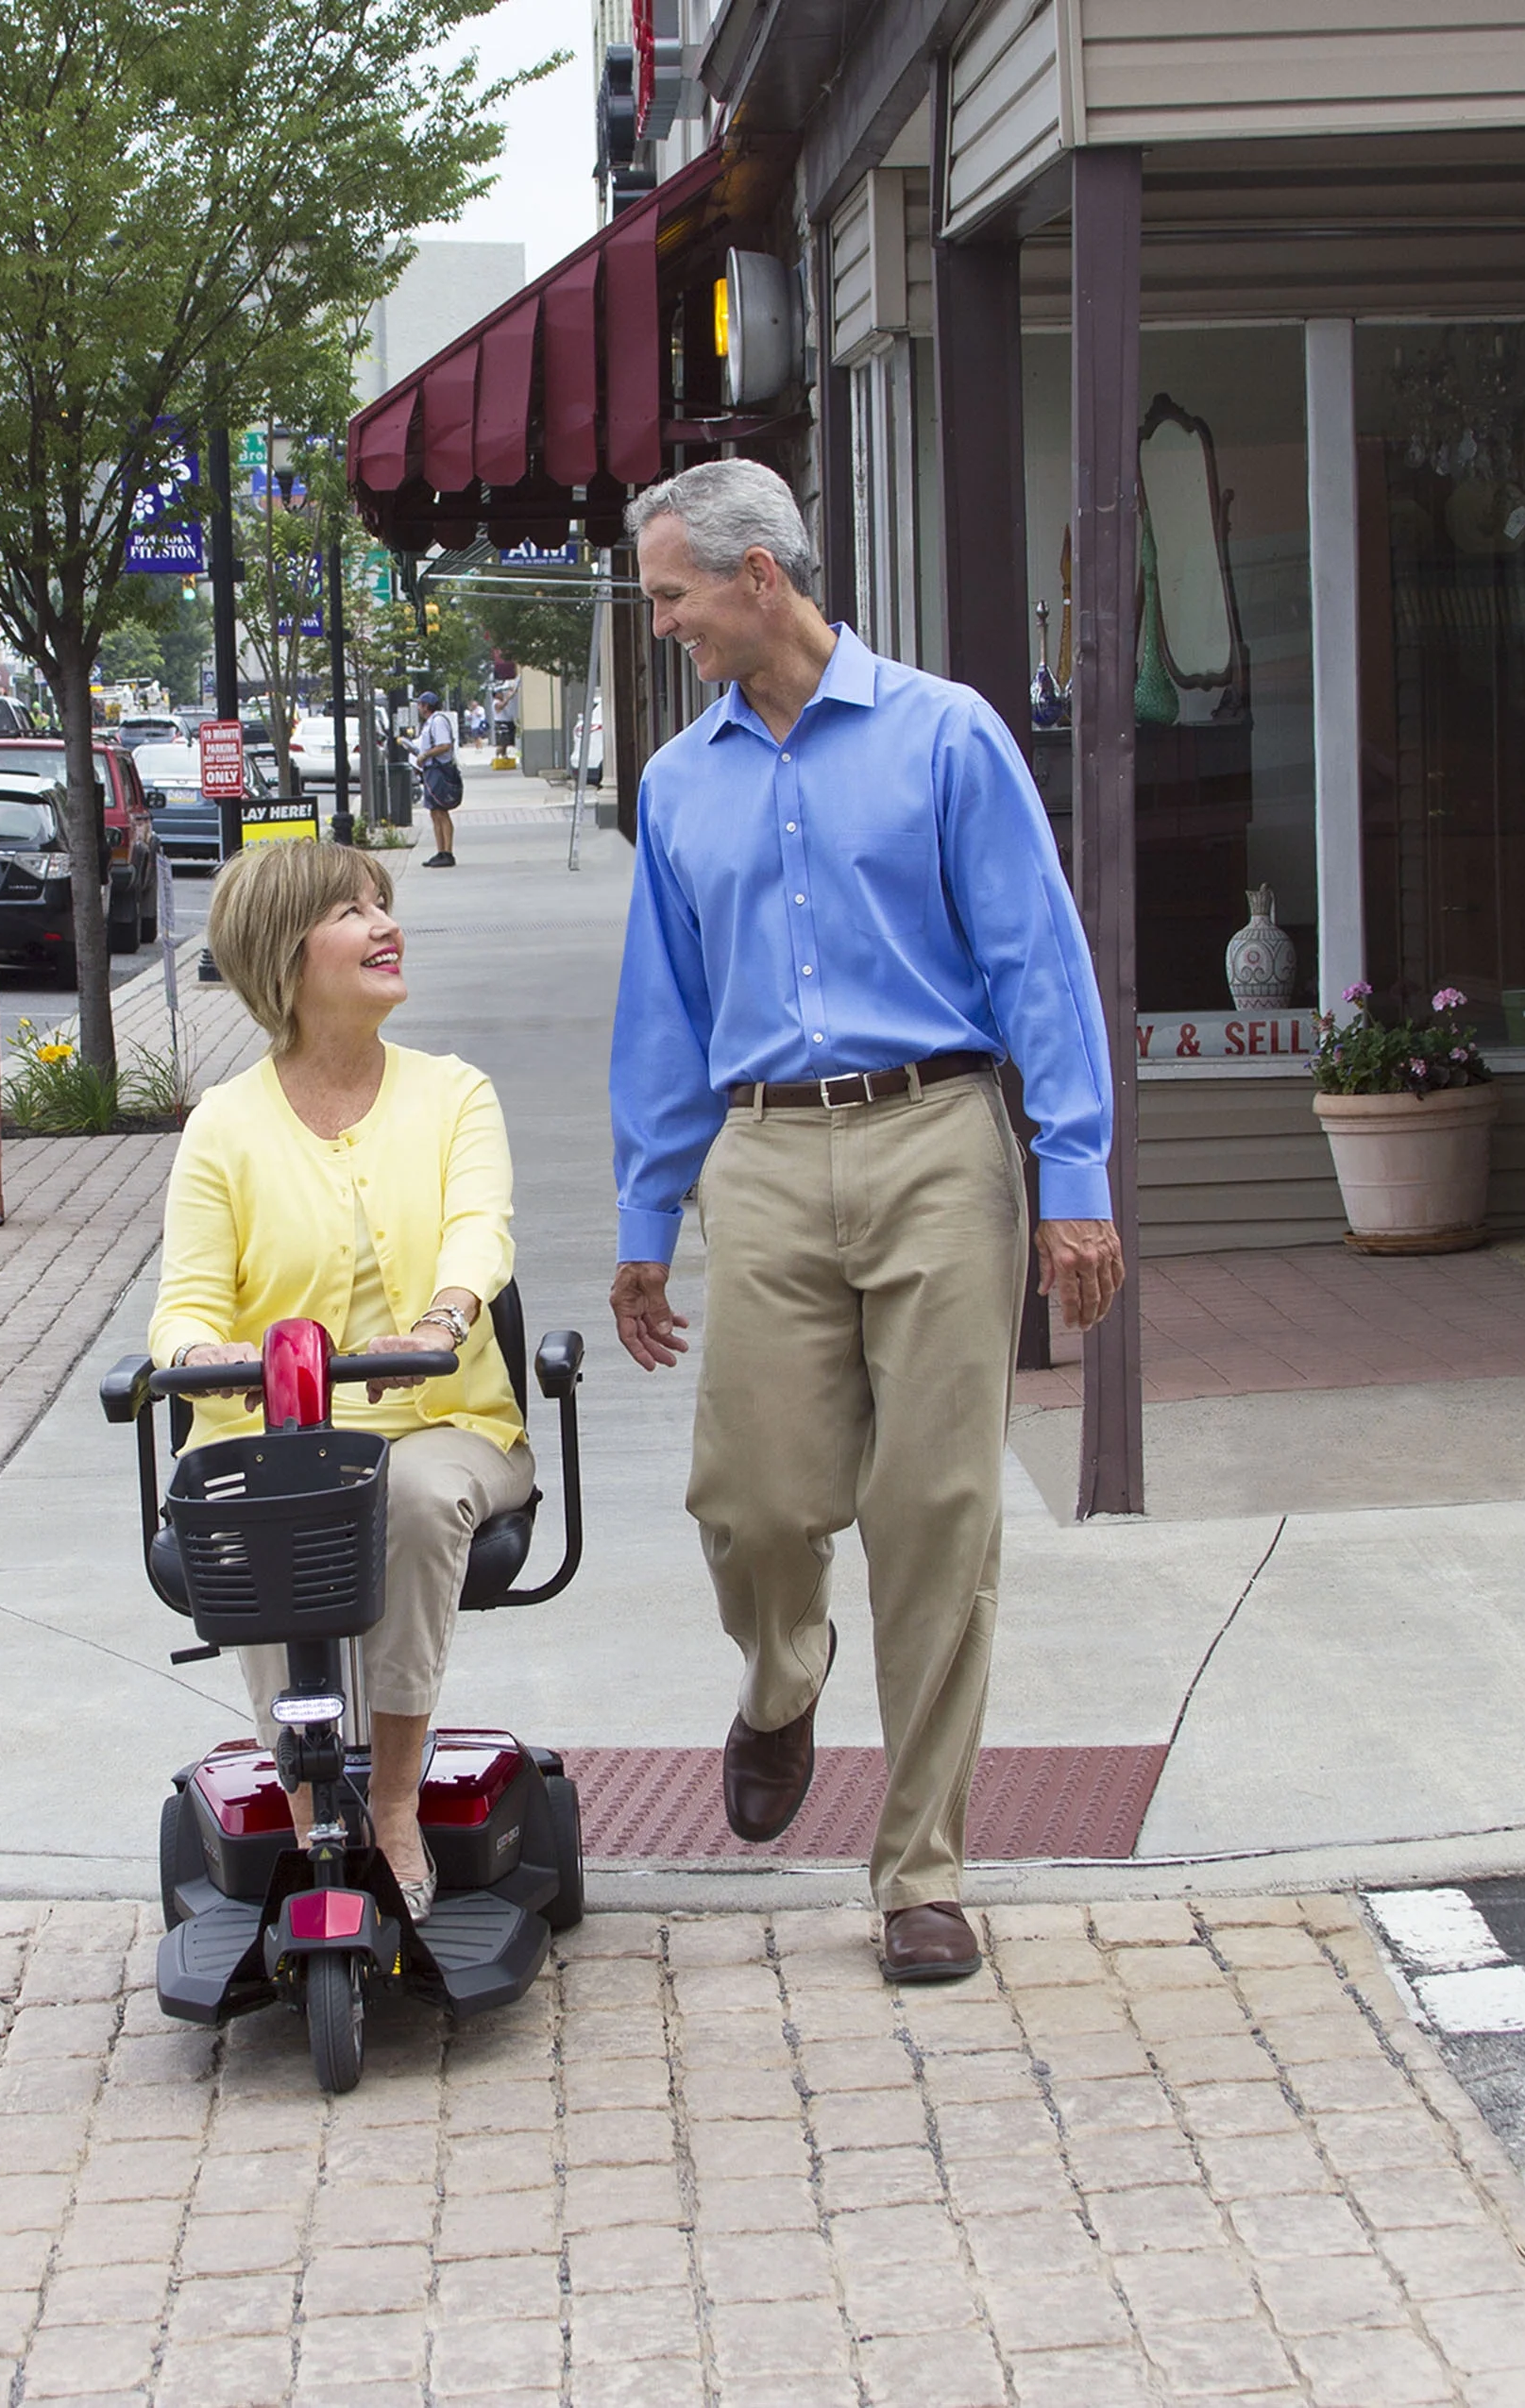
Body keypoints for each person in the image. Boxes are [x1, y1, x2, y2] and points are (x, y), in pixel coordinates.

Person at [608, 458, 1125, 1985]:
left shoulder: (944, 738)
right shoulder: (675, 783)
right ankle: (781, 1678)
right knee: (753, 1500)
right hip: (760, 1157)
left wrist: (1074, 1178)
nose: (663, 626)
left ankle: (920, 1868)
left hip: (935, 1140)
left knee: (935, 1509)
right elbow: (661, 1016)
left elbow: (1039, 961)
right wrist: (647, 1215)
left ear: (755, 576)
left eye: (671, 595)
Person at [148, 838, 534, 1919]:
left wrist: (446, 1314)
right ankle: (307, 1795)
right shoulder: (224, 1126)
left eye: (383, 904)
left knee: (409, 1494)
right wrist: (194, 1355)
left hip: (437, 1414)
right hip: (273, 1432)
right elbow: (183, 1303)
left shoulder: (455, 1095)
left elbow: (477, 1234)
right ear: (285, 953)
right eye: (351, 912)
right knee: (272, 1507)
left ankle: (397, 1806)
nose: (383, 924)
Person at [413, 688, 462, 867]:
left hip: (440, 770)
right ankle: (440, 851)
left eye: (420, 704)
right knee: (435, 812)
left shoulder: (438, 722)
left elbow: (445, 745)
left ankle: (447, 851)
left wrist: (425, 755)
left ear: (426, 706)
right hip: (430, 769)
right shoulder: (429, 723)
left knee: (441, 811)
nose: (418, 707)